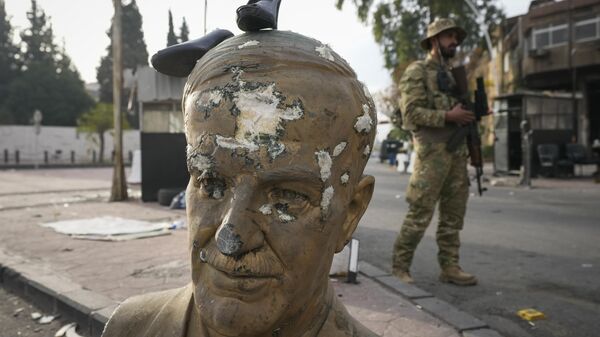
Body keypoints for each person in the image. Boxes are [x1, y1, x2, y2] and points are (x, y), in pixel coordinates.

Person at [102, 30, 378, 337]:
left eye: (285, 199)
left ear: (350, 213)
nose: (229, 239)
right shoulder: (131, 328)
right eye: (211, 184)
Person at [391, 18, 478, 286]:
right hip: (431, 156)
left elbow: (461, 114)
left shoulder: (454, 76)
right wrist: (448, 116)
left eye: (455, 36)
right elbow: (410, 114)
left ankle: (450, 267)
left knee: (453, 215)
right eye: (448, 36)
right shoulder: (417, 72)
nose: (454, 41)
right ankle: (400, 267)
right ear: (434, 41)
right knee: (420, 213)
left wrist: (472, 114)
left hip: (457, 155)